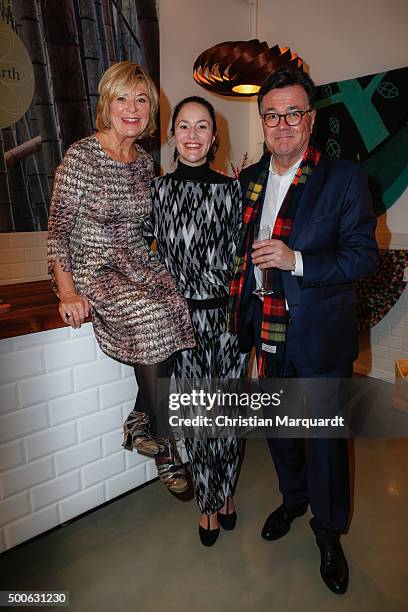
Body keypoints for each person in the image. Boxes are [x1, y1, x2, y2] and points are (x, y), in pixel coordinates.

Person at [229, 68, 377, 593]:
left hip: (318, 334)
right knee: (280, 430)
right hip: (265, 331)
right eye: (271, 115)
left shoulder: (343, 178)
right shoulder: (249, 180)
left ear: (311, 120)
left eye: (293, 113)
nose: (282, 124)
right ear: (263, 122)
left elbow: (363, 257)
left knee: (326, 440)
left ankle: (329, 533)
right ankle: (293, 499)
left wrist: (296, 261)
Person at [47, 61, 196, 494]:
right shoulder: (82, 156)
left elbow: (148, 228)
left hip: (133, 261)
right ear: (107, 105)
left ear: (150, 110)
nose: (132, 107)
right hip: (91, 265)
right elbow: (58, 229)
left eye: (142, 98)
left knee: (175, 304)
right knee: (151, 316)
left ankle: (138, 421)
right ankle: (165, 445)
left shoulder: (144, 163)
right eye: (122, 98)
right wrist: (69, 290)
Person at [144, 96, 248, 546]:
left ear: (213, 136)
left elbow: (242, 262)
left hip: (225, 323)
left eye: (201, 126)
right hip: (181, 325)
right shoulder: (158, 191)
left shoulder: (232, 191)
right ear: (172, 136)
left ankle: (225, 494)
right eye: (183, 126)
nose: (192, 135)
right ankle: (209, 503)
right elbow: (135, 253)